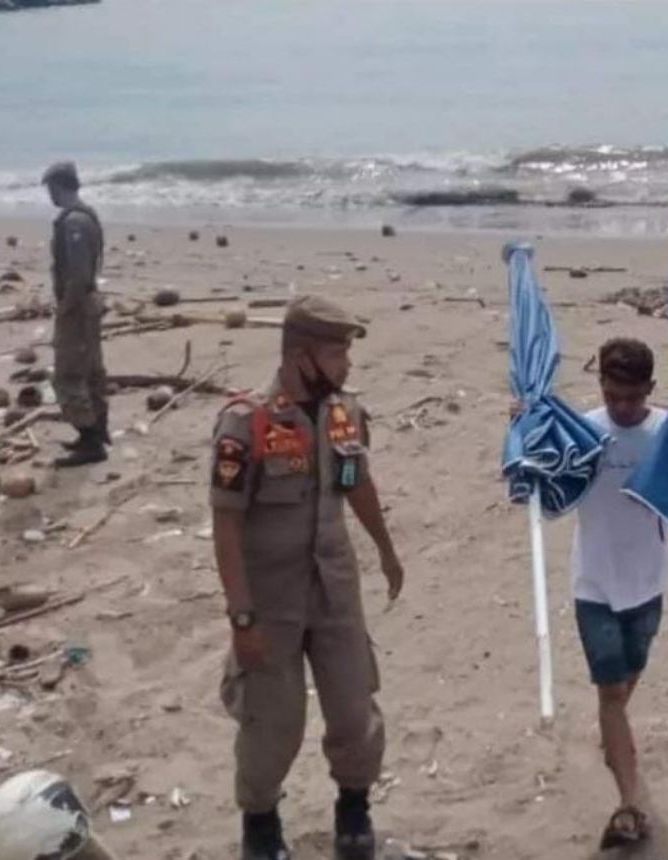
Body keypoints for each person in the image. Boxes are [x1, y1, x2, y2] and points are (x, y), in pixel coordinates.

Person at [209, 296, 405, 860]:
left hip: (334, 587)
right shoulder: (246, 424)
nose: (346, 363)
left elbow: (356, 480)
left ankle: (353, 807)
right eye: (336, 350)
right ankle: (261, 822)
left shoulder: (344, 413)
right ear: (300, 355)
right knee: (274, 722)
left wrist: (386, 551)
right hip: (271, 600)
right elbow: (226, 526)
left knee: (353, 707)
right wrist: (241, 616)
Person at [564, 338, 668, 849]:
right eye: (613, 397)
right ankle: (630, 803)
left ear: (649, 389)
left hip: (648, 581)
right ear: (601, 388)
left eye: (632, 398)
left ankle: (614, 734)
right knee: (609, 692)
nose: (623, 408)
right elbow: (541, 470)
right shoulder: (583, 432)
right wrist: (521, 423)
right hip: (594, 583)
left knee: (629, 677)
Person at [42, 161, 109, 467]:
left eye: (51, 189)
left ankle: (90, 439)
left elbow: (79, 275)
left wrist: (65, 309)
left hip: (78, 307)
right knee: (91, 370)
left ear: (58, 186)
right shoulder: (85, 216)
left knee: (69, 372)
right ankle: (95, 431)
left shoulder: (73, 223)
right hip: (88, 304)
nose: (50, 195)